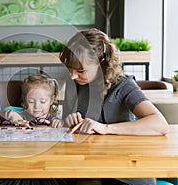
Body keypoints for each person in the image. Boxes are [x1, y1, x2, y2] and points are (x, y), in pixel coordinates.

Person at [59, 28, 169, 185]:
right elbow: (70, 129)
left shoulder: (123, 85)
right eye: (70, 69)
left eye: (81, 70)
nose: (72, 76)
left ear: (101, 62)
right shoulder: (76, 83)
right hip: (89, 165)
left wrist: (105, 128)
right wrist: (69, 120)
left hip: (125, 168)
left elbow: (160, 124)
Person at [0, 74, 64, 130]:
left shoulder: (53, 120)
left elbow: (63, 126)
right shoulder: (19, 116)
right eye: (31, 101)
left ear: (52, 100)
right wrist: (9, 114)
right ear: (25, 100)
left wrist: (58, 123)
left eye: (42, 101)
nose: (37, 106)